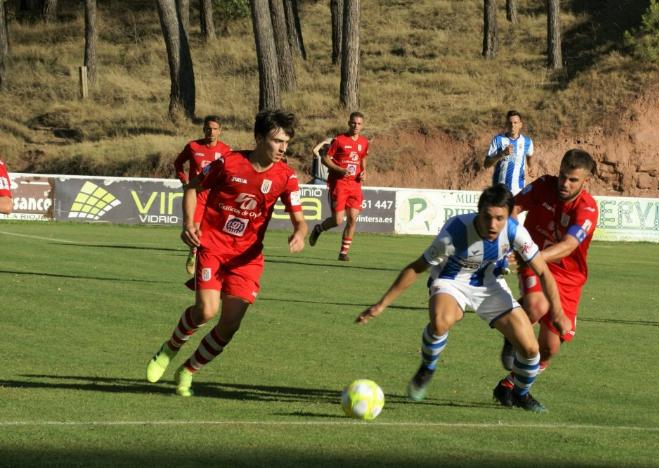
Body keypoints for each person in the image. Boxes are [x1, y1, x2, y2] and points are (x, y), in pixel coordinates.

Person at [355, 184, 571, 413]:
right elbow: (417, 267)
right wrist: (381, 305)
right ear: (478, 212)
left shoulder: (515, 231)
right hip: (451, 281)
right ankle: (427, 367)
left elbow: (543, 272)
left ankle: (520, 394)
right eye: (487, 217)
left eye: (500, 218)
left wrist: (557, 313)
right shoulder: (456, 231)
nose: (493, 224)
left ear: (509, 216)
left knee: (530, 350)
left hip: (489, 285)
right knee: (442, 321)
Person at [145, 110, 307, 397]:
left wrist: (300, 232)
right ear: (259, 138)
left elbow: (299, 218)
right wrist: (188, 224)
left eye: (286, 142)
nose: (283, 148)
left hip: (247, 257)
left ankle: (189, 370)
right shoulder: (229, 163)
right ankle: (169, 349)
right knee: (206, 310)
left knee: (230, 324)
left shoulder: (285, 176)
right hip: (214, 246)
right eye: (277, 141)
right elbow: (193, 189)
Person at [493, 149, 598, 405]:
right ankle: (513, 334)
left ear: (585, 181)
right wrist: (513, 235)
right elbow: (514, 207)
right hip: (534, 260)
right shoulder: (543, 186)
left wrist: (533, 255)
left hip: (567, 276)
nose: (565, 183)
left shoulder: (587, 209)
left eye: (573, 180)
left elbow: (568, 246)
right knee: (537, 305)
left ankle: (512, 388)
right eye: (563, 176)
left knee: (550, 348)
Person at [173, 116, 232, 275]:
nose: (211, 132)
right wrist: (184, 181)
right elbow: (178, 163)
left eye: (214, 129)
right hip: (197, 195)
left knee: (214, 233)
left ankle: (210, 262)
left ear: (220, 131)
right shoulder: (193, 146)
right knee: (196, 231)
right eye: (208, 128)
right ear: (203, 129)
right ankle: (193, 253)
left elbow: (230, 171)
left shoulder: (226, 150)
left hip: (215, 196)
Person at [308, 112, 369, 261]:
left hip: (355, 184)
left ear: (362, 125)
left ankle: (343, 253)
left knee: (353, 218)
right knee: (338, 220)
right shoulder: (339, 140)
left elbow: (363, 158)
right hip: (339, 184)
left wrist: (364, 171)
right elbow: (325, 159)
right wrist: (340, 169)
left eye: (359, 124)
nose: (356, 126)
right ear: (349, 123)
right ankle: (319, 228)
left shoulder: (364, 142)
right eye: (354, 123)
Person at [484, 110, 534, 195]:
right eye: (510, 123)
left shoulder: (527, 142)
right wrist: (501, 154)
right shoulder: (498, 140)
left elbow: (529, 155)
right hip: (500, 189)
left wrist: (530, 166)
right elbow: (486, 164)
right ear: (506, 124)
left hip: (518, 189)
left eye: (515, 123)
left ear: (520, 125)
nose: (512, 126)